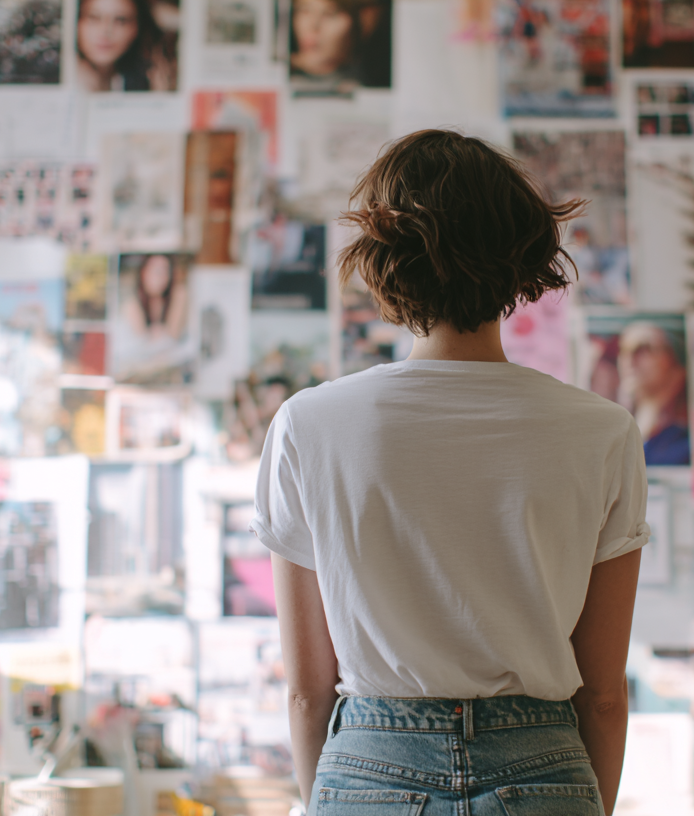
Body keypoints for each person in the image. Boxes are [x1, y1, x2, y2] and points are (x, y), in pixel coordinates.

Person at [256, 130, 648, 815]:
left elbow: (306, 692)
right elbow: (605, 695)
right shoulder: (603, 431)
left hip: (370, 764)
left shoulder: (308, 424)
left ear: (382, 259)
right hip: (543, 763)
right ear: (522, 259)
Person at [616, 322, 690, 466]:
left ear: (676, 366)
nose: (629, 359)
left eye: (644, 349)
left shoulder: (685, 443)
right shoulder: (619, 433)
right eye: (624, 349)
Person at [289, 0, 392, 92]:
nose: (313, 24)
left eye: (329, 14)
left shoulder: (370, 90)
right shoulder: (282, 79)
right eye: (305, 11)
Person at [76, 0, 174, 92]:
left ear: (137, 27)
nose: (105, 31)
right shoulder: (67, 80)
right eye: (94, 18)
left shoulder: (146, 79)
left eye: (120, 20)